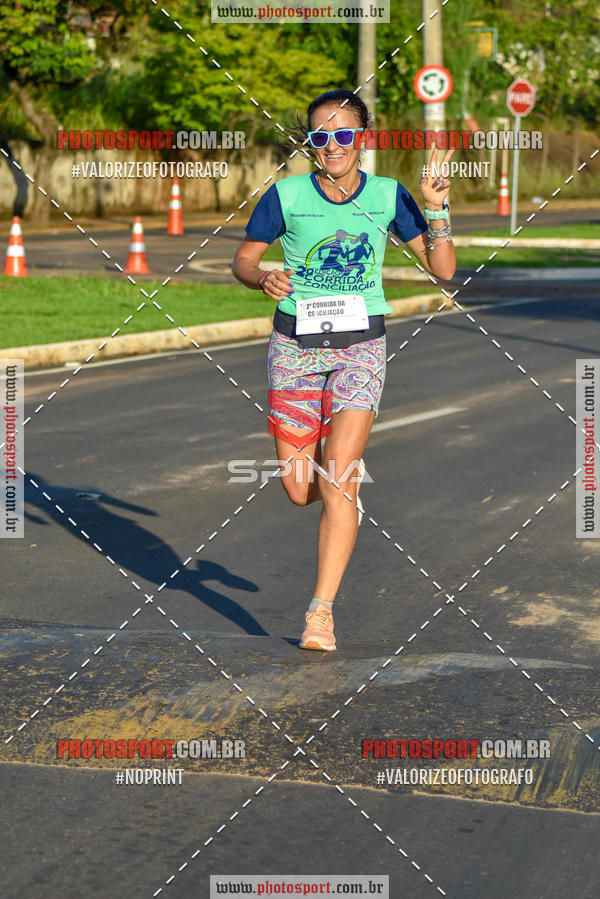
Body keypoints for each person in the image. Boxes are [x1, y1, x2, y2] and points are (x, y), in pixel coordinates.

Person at [232, 88, 456, 652]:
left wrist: (435, 206)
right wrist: (262, 278)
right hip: (294, 349)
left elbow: (444, 268)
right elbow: (244, 257)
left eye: (344, 134)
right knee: (298, 488)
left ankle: (320, 613)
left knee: (339, 475)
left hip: (362, 346)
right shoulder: (284, 196)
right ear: (311, 142)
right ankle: (333, 473)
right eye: (320, 136)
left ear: (364, 139)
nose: (332, 145)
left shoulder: (386, 195)